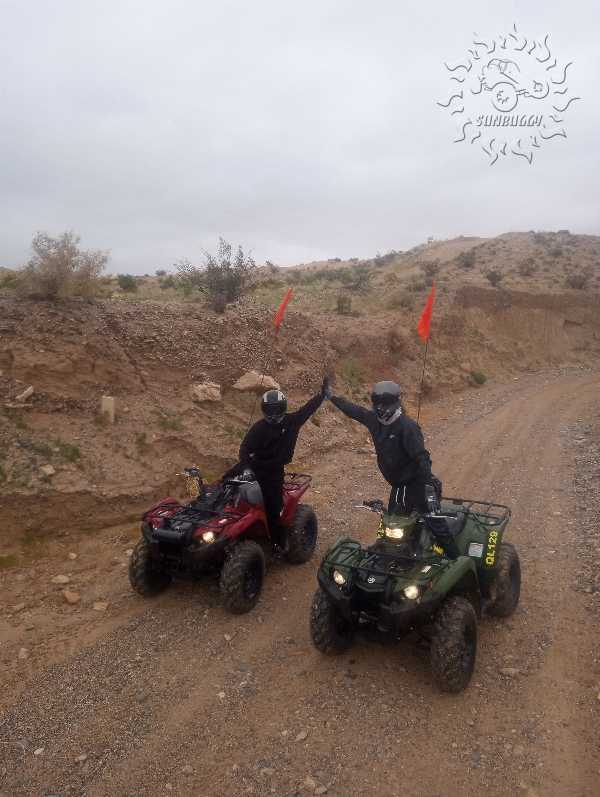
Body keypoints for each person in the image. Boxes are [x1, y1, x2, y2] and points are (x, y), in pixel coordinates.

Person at [325, 379, 459, 558]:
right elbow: (355, 411)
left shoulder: (408, 427)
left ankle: (456, 558)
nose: (380, 408)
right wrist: (332, 397)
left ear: (395, 403)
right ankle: (395, 559)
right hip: (398, 484)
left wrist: (428, 488)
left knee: (436, 524)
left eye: (384, 404)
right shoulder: (374, 421)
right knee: (392, 524)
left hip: (418, 482)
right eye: (377, 403)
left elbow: (422, 458)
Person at [235, 378, 329, 551]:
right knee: (225, 485)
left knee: (273, 508)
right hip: (255, 466)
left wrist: (322, 395)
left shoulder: (292, 421)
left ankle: (278, 543)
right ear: (264, 410)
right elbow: (244, 449)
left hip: (274, 471)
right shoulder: (259, 427)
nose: (273, 415)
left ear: (283, 409)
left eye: (276, 410)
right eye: (269, 411)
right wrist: (246, 468)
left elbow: (307, 409)